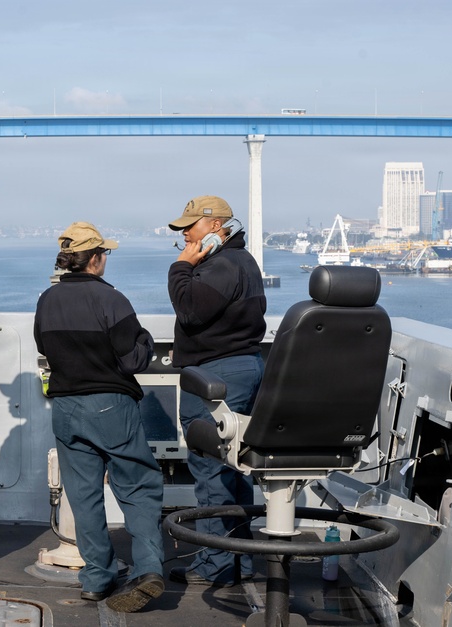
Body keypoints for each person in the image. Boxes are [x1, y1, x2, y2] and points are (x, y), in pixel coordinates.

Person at [33, 221, 166, 613]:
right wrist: (146, 342)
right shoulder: (112, 300)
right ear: (93, 259)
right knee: (139, 486)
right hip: (110, 405)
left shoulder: (47, 299)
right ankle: (147, 569)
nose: (105, 258)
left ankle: (96, 578)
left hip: (66, 407)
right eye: (103, 253)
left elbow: (44, 345)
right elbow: (133, 358)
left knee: (83, 495)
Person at [166, 195, 267, 587]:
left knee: (212, 472)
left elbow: (189, 309)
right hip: (240, 368)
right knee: (233, 469)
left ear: (217, 227)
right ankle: (240, 559)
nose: (185, 235)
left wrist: (180, 268)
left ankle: (216, 565)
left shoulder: (222, 265)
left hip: (216, 376)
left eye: (191, 226)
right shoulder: (241, 262)